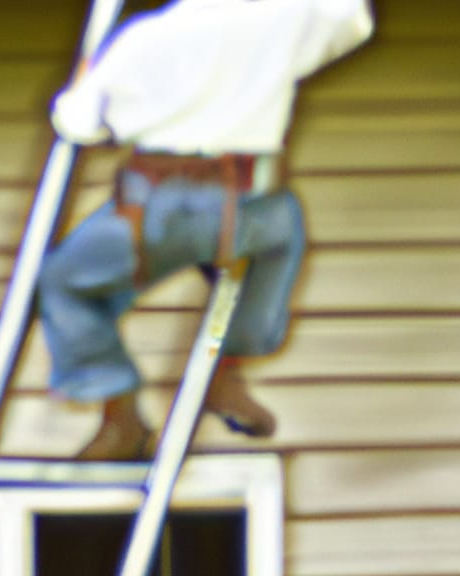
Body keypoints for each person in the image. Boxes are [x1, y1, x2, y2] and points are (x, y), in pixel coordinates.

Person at [39, 0, 374, 460]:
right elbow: (350, 20)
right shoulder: (282, 17)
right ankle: (226, 369)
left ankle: (119, 413)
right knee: (277, 244)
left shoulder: (145, 37)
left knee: (66, 281)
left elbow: (77, 125)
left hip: (160, 208)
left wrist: (82, 83)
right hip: (251, 205)